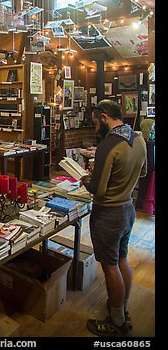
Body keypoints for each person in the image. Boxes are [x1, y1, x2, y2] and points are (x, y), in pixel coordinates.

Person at [83, 99, 147, 337]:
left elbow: (97, 189)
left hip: (108, 213)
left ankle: (117, 321)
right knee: (122, 259)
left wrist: (85, 180)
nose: (94, 125)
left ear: (104, 117)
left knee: (110, 267)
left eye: (95, 120)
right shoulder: (138, 138)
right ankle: (122, 307)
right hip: (128, 209)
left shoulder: (109, 145)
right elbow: (142, 172)